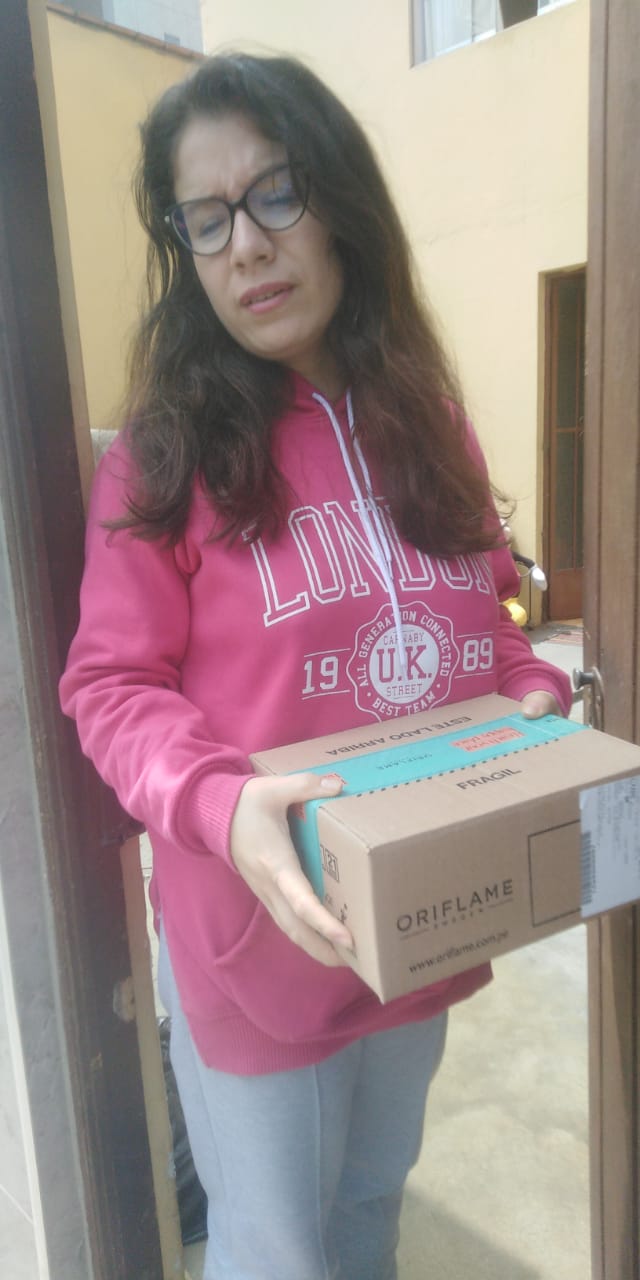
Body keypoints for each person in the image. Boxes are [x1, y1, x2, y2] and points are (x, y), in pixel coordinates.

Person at [60, 53, 572, 1280]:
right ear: (185, 247)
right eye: (207, 217)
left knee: (371, 1205)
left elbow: (489, 626)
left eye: (275, 192)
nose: (247, 243)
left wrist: (534, 698)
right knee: (277, 1250)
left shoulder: (426, 422)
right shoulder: (165, 455)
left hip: (413, 914)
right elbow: (108, 686)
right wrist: (219, 800)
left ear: (339, 201)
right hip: (258, 944)